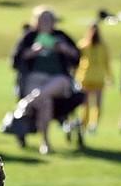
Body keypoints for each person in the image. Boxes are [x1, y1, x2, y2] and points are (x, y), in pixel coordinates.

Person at [11, 8, 81, 155]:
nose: (47, 22)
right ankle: (45, 142)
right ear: (36, 21)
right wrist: (33, 51)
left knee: (59, 82)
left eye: (50, 19)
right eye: (43, 19)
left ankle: (25, 104)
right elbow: (15, 60)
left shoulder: (61, 36)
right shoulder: (30, 37)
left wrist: (64, 49)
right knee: (45, 101)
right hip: (34, 79)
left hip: (57, 80)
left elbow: (77, 56)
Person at [76, 22, 113, 134]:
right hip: (86, 77)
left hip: (97, 78)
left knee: (96, 104)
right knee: (86, 104)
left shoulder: (102, 46)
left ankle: (93, 124)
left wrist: (110, 76)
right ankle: (85, 124)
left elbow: (106, 62)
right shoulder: (83, 45)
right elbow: (77, 61)